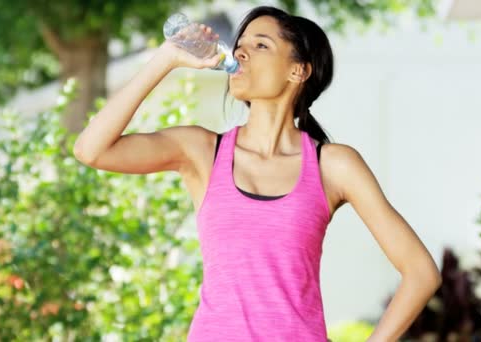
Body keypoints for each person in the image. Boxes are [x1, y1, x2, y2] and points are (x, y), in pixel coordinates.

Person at [73, 5, 442, 342]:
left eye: (261, 45)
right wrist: (166, 59)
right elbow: (91, 149)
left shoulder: (333, 165)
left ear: (298, 70)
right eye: (240, 45)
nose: (240, 53)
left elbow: (421, 272)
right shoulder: (203, 152)